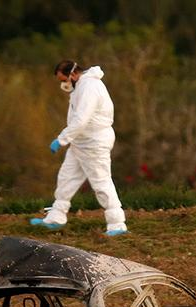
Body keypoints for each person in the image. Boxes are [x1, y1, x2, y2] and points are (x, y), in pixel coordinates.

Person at [30, 60, 128, 236]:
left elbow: (81, 119)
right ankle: (56, 216)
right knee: (67, 177)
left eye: (64, 79)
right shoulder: (81, 87)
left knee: (101, 182)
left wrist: (61, 139)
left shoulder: (89, 87)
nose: (63, 84)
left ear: (73, 74)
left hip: (94, 143)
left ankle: (117, 223)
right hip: (81, 143)